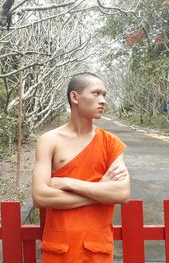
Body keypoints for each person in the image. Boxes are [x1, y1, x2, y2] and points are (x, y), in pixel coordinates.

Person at [32, 72, 130, 262]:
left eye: (104, 95)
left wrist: (68, 182)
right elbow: (40, 196)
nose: (102, 101)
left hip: (96, 248)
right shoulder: (49, 141)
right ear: (75, 97)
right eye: (96, 93)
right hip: (59, 247)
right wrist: (100, 192)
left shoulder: (111, 142)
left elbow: (122, 194)